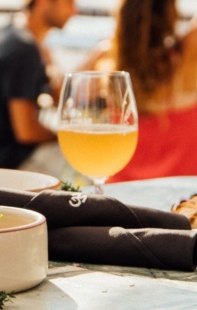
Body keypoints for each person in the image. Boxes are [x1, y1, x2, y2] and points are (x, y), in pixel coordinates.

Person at [84, 0, 197, 182]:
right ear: (171, 14)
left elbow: (65, 94)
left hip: (121, 193)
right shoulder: (187, 59)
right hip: (181, 194)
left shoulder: (109, 59)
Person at [0, 0, 78, 169]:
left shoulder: (13, 32)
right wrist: (70, 137)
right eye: (69, 2)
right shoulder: (23, 48)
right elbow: (26, 131)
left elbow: (59, 94)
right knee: (84, 163)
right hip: (6, 162)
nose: (75, 11)